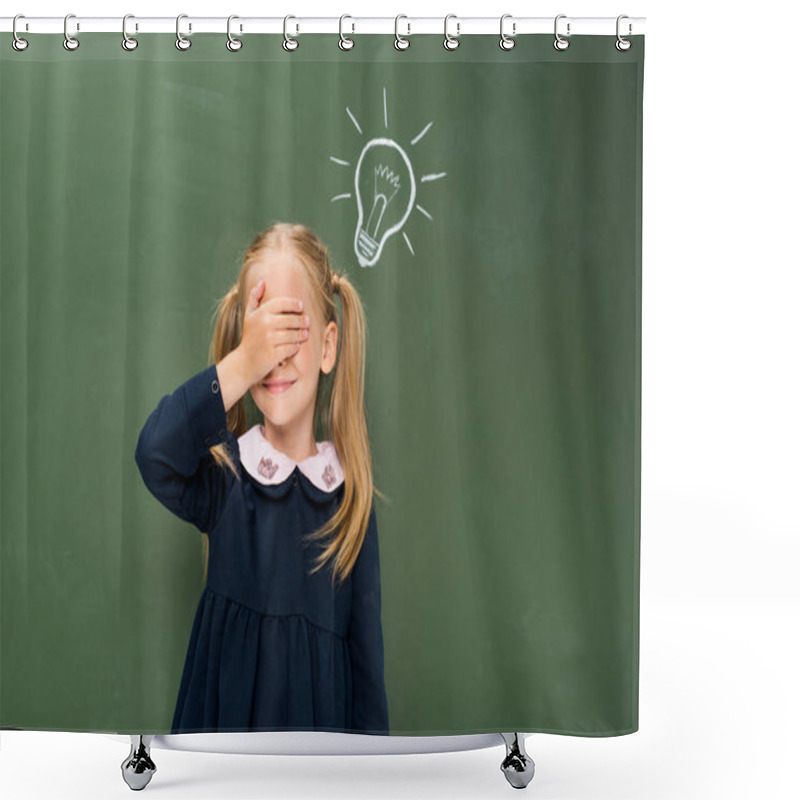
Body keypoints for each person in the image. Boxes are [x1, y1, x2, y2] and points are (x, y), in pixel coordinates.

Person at [135, 222, 390, 735]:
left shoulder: (349, 500)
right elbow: (155, 453)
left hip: (317, 764)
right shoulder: (227, 475)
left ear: (327, 346)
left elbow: (366, 674)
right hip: (225, 754)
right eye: (262, 334)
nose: (276, 356)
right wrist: (241, 363)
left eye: (291, 329)